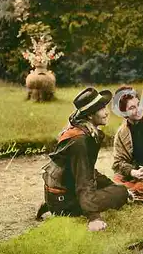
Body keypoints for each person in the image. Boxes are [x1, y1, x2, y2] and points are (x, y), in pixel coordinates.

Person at [37, 87, 131, 232]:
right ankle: (60, 208)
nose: (106, 112)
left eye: (105, 107)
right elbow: (84, 180)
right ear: (89, 115)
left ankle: (51, 205)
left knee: (115, 188)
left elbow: (86, 170)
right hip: (64, 201)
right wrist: (94, 218)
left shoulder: (80, 132)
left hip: (58, 195)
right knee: (122, 192)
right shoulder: (80, 141)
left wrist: (110, 185)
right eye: (101, 109)